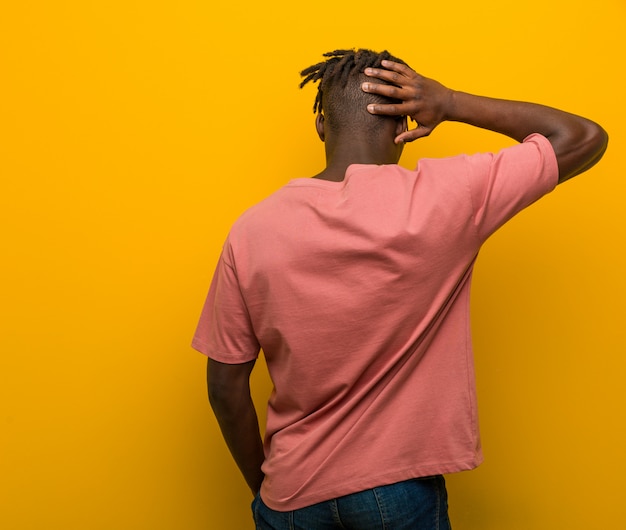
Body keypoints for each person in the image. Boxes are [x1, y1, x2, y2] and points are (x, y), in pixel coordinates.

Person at [192, 49, 608, 529]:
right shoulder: (450, 195)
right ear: (404, 125)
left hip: (291, 492)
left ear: (322, 127)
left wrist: (266, 493)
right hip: (396, 490)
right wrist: (450, 101)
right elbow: (583, 138)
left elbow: (224, 385)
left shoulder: (252, 231)